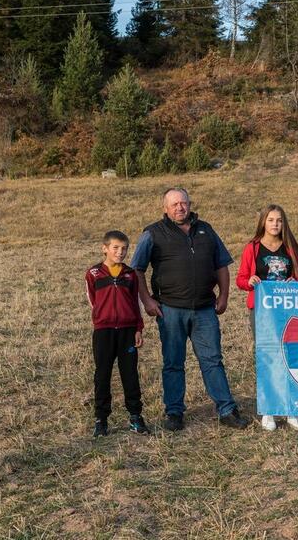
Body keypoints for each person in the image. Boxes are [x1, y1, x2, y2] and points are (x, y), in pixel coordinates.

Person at [131, 187, 248, 431]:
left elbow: (221, 265)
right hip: (170, 310)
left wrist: (224, 295)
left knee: (212, 360)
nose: (180, 208)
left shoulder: (206, 229)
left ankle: (227, 410)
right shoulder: (152, 233)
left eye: (183, 203)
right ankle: (174, 412)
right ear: (165, 208)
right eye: (174, 204)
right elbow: (137, 270)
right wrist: (148, 301)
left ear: (190, 204)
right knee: (173, 362)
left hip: (205, 309)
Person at [236, 204, 298, 432]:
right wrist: (249, 282)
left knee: (289, 357)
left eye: (279, 220)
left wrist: (295, 282)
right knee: (268, 357)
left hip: (287, 310)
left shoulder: (290, 246)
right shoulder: (253, 247)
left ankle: (291, 410)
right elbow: (241, 279)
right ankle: (269, 410)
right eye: (271, 220)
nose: (275, 224)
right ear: (263, 222)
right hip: (262, 311)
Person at [85, 230, 149, 437]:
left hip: (127, 332)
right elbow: (93, 301)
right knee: (102, 374)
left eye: (124, 248)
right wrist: (102, 318)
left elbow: (135, 303)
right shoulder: (93, 273)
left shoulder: (130, 274)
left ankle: (135, 417)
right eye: (116, 248)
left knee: (129, 374)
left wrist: (138, 328)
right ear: (105, 248)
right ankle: (101, 419)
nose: (120, 252)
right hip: (104, 332)